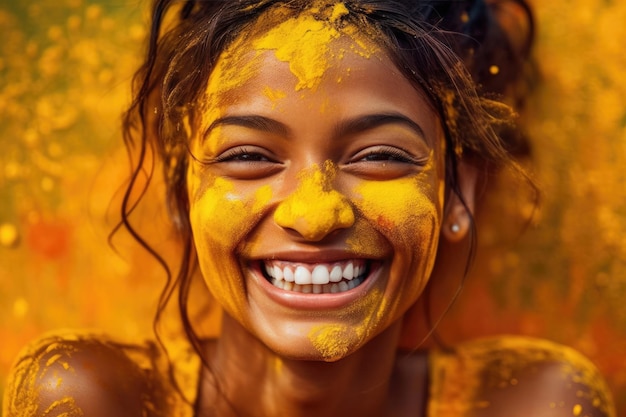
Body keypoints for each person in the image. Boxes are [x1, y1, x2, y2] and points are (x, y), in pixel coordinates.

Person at [2, 1, 617, 416]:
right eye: (247, 155)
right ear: (178, 193)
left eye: (378, 156)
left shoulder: (534, 403)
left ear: (459, 194)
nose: (314, 213)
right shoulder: (85, 398)